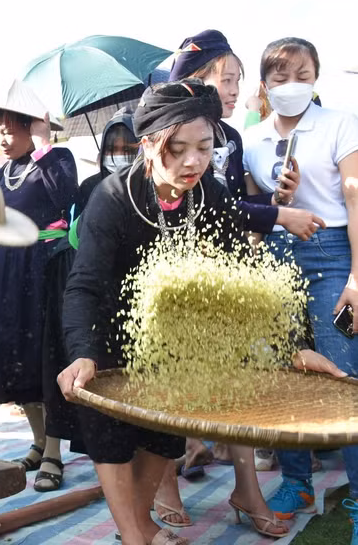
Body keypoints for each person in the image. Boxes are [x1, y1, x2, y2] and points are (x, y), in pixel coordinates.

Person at [57, 79, 343, 545]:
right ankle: (133, 535)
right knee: (109, 434)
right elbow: (84, 285)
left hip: (169, 336)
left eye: (205, 148)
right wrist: (83, 352)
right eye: (179, 149)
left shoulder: (207, 194)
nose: (194, 161)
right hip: (103, 325)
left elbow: (248, 277)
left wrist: (295, 346)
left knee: (165, 433)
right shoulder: (112, 198)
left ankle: (143, 522)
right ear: (149, 144)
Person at [147, 29, 328, 538]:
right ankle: (165, 484)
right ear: (192, 81)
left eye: (236, 81)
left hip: (225, 277)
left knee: (237, 383)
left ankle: (246, 490)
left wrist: (274, 202)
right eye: (222, 79)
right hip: (173, 275)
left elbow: (235, 207)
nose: (231, 90)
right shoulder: (166, 132)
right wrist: (280, 216)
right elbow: (206, 204)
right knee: (168, 383)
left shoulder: (232, 139)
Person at [242, 37, 358, 541]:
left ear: (316, 77)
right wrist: (277, 201)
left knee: (342, 376)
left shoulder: (339, 123)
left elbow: (355, 201)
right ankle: (296, 480)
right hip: (276, 260)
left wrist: (356, 277)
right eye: (280, 75)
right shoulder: (252, 139)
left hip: (332, 253)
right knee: (284, 372)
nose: (291, 84)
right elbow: (252, 217)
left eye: (301, 73)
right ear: (265, 85)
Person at [0, 80, 78, 491]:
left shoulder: (57, 158)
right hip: (9, 268)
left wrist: (44, 144)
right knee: (17, 355)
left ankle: (56, 452)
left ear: (32, 128)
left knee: (48, 355)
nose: (4, 139)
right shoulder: (1, 173)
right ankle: (39, 441)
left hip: (46, 268)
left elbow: (64, 199)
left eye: (11, 130)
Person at [77, 108, 138, 214]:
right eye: (111, 149)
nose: (119, 155)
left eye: (127, 150)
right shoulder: (89, 187)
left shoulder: (149, 187)